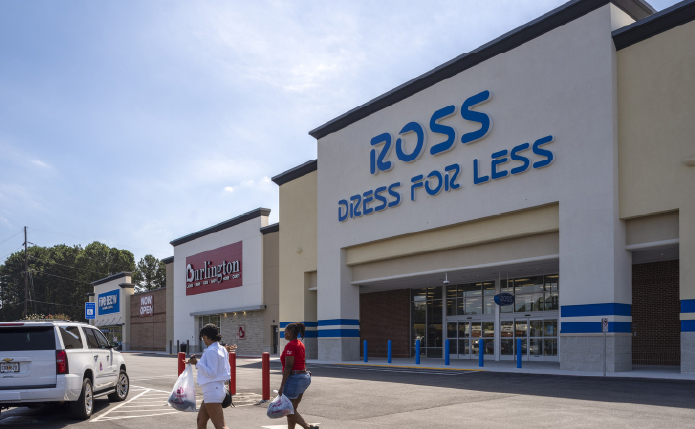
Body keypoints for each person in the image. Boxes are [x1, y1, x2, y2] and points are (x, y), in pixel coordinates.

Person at [187, 324, 231, 429]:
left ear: (207, 336)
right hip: (214, 389)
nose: (203, 341)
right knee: (201, 421)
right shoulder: (221, 349)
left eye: (203, 338)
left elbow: (212, 373)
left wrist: (196, 364)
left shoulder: (212, 350)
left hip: (212, 390)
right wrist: (194, 362)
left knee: (220, 426)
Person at [277, 322, 318, 429]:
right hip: (303, 377)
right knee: (292, 408)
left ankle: (307, 427)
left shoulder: (290, 345)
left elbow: (288, 367)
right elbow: (302, 361)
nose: (284, 334)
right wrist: (305, 372)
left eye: (285, 332)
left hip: (294, 379)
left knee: (287, 409)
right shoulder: (300, 344)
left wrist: (281, 386)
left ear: (290, 333)